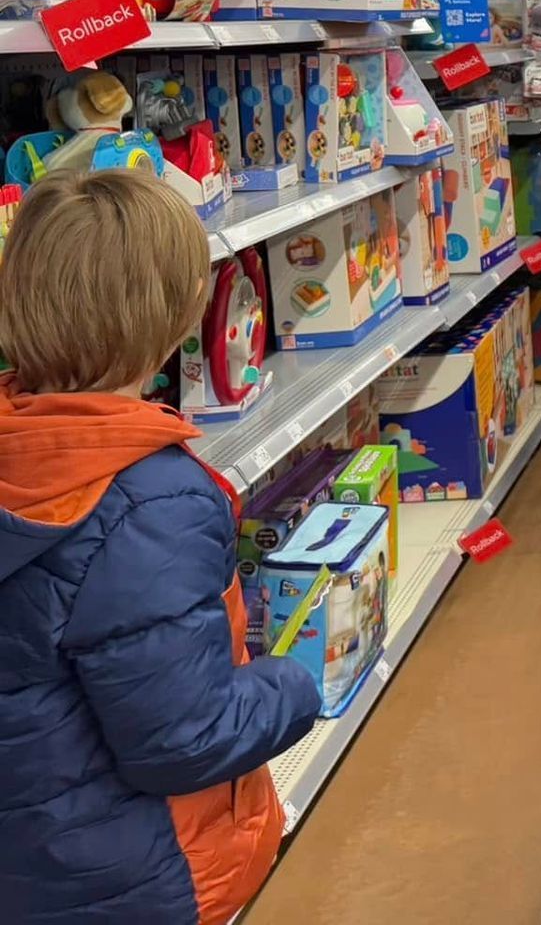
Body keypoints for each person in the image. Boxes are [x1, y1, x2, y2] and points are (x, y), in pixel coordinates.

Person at [0, 170, 322, 924]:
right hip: (137, 876)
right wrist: (294, 684)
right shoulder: (152, 501)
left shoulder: (25, 452)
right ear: (180, 313)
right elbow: (183, 739)